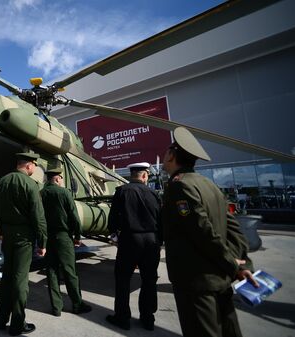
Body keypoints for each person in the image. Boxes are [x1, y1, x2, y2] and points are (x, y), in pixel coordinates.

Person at [161, 127, 258, 337]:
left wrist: (232, 264)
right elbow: (234, 229)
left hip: (196, 281)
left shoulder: (180, 187)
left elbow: (202, 233)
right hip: (220, 279)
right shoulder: (209, 185)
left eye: (166, 151)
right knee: (229, 330)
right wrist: (242, 263)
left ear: (172, 154)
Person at [0, 152, 48, 336]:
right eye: (34, 165)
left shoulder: (2, 182)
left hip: (7, 236)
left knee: (7, 277)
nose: (34, 169)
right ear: (29, 165)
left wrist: (0, 231)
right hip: (24, 238)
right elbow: (38, 216)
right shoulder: (30, 185)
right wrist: (43, 241)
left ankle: (1, 319)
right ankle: (17, 324)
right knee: (20, 280)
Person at [106, 162, 162, 331]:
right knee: (149, 280)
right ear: (145, 175)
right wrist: (159, 241)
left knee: (123, 279)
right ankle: (148, 319)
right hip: (151, 240)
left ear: (132, 175)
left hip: (130, 240)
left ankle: (122, 318)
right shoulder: (154, 194)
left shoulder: (121, 191)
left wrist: (114, 235)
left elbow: (113, 218)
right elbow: (161, 221)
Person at [40, 167, 92, 317]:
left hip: (49, 238)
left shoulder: (41, 194)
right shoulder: (64, 193)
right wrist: (77, 236)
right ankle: (77, 304)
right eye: (61, 178)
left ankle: (56, 307)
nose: (62, 181)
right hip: (64, 237)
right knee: (70, 272)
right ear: (57, 179)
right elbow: (74, 216)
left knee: (52, 271)